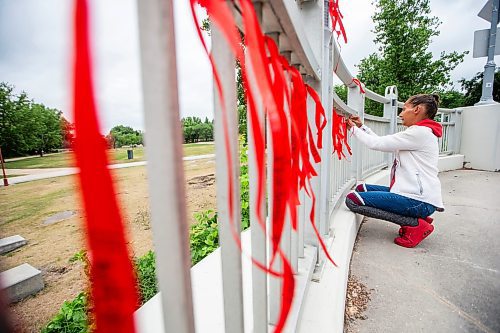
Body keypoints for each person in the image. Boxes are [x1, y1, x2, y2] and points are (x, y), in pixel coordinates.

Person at [345, 94, 444, 248]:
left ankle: (415, 223)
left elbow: (376, 144)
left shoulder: (419, 133)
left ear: (417, 109)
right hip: (417, 196)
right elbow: (383, 141)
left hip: (418, 200)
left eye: (404, 109)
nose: (400, 114)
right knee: (361, 188)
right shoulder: (421, 132)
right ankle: (417, 219)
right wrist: (361, 127)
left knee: (353, 200)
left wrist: (352, 129)